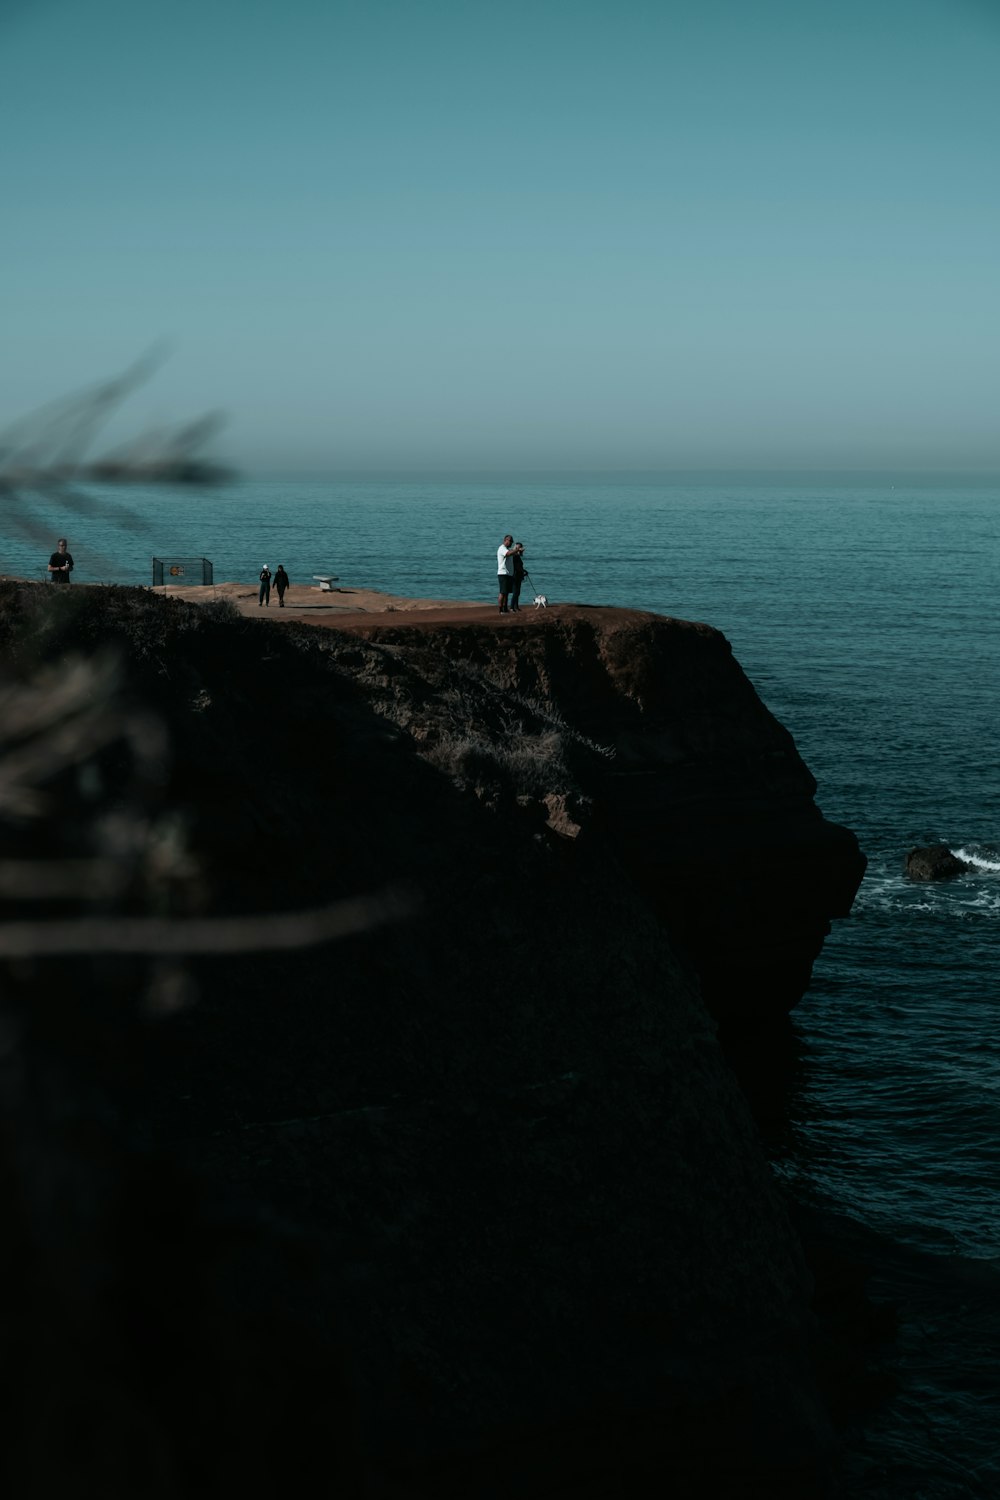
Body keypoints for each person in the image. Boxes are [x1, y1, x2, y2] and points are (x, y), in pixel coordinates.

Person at [497, 535, 517, 614]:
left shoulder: (507, 549)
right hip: (503, 573)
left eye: (512, 541)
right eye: (510, 541)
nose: (511, 543)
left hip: (508, 574)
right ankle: (501, 609)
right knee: (502, 592)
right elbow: (508, 554)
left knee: (507, 592)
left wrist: (518, 551)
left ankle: (505, 609)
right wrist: (516, 549)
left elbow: (512, 554)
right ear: (506, 540)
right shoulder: (502, 548)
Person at [510, 542, 526, 612]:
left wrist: (524, 571)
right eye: (517, 548)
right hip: (515, 576)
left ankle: (516, 607)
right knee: (515, 592)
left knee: (517, 592)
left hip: (518, 576)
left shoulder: (517, 556)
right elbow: (516, 567)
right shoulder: (514, 556)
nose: (519, 549)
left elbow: (519, 566)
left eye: (520, 548)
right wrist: (522, 570)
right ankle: (511, 607)